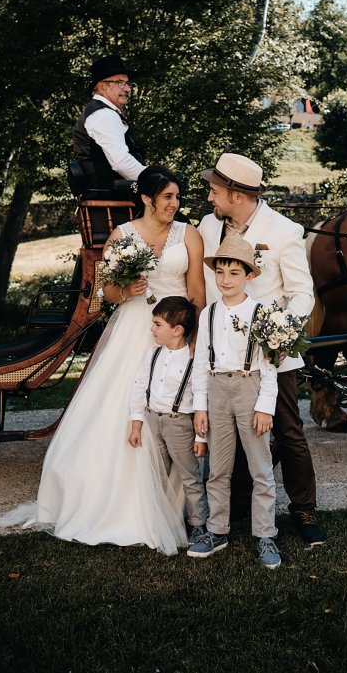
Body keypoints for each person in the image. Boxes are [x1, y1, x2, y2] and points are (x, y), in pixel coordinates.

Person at [0, 166, 205, 555]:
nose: (175, 205)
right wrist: (127, 287)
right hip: (133, 329)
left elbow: (197, 293)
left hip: (175, 333)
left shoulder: (189, 235)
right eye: (167, 198)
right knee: (118, 408)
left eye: (178, 198)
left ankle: (179, 506)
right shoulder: (122, 236)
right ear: (146, 198)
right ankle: (115, 503)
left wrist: (187, 340)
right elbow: (106, 293)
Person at [198, 153, 326, 545]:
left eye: (215, 191)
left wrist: (281, 332)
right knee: (231, 433)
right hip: (223, 355)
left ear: (237, 195)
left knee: (287, 430)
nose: (209, 199)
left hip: (272, 355)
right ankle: (238, 506)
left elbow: (302, 293)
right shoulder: (207, 228)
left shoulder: (285, 230)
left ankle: (303, 509)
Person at [188, 236, 281, 569]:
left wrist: (265, 406)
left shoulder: (261, 314)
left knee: (260, 469)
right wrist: (200, 406)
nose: (225, 280)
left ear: (249, 276)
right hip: (215, 390)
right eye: (221, 272)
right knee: (217, 469)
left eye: (233, 273)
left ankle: (266, 535)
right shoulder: (208, 314)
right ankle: (217, 530)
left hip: (249, 388)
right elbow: (200, 362)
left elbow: (270, 365)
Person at [128, 296, 208, 545]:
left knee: (190, 476)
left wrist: (200, 437)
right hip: (153, 422)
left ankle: (198, 524)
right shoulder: (153, 354)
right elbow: (140, 386)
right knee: (156, 473)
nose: (152, 329)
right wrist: (137, 422)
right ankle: (158, 519)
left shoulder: (193, 360)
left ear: (177, 331)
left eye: (157, 324)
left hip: (179, 424)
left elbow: (200, 400)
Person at [72, 54, 146, 190]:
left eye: (128, 83)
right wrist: (156, 180)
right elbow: (121, 163)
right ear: (102, 88)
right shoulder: (102, 114)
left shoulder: (102, 112)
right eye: (120, 82)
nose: (127, 88)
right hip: (112, 199)